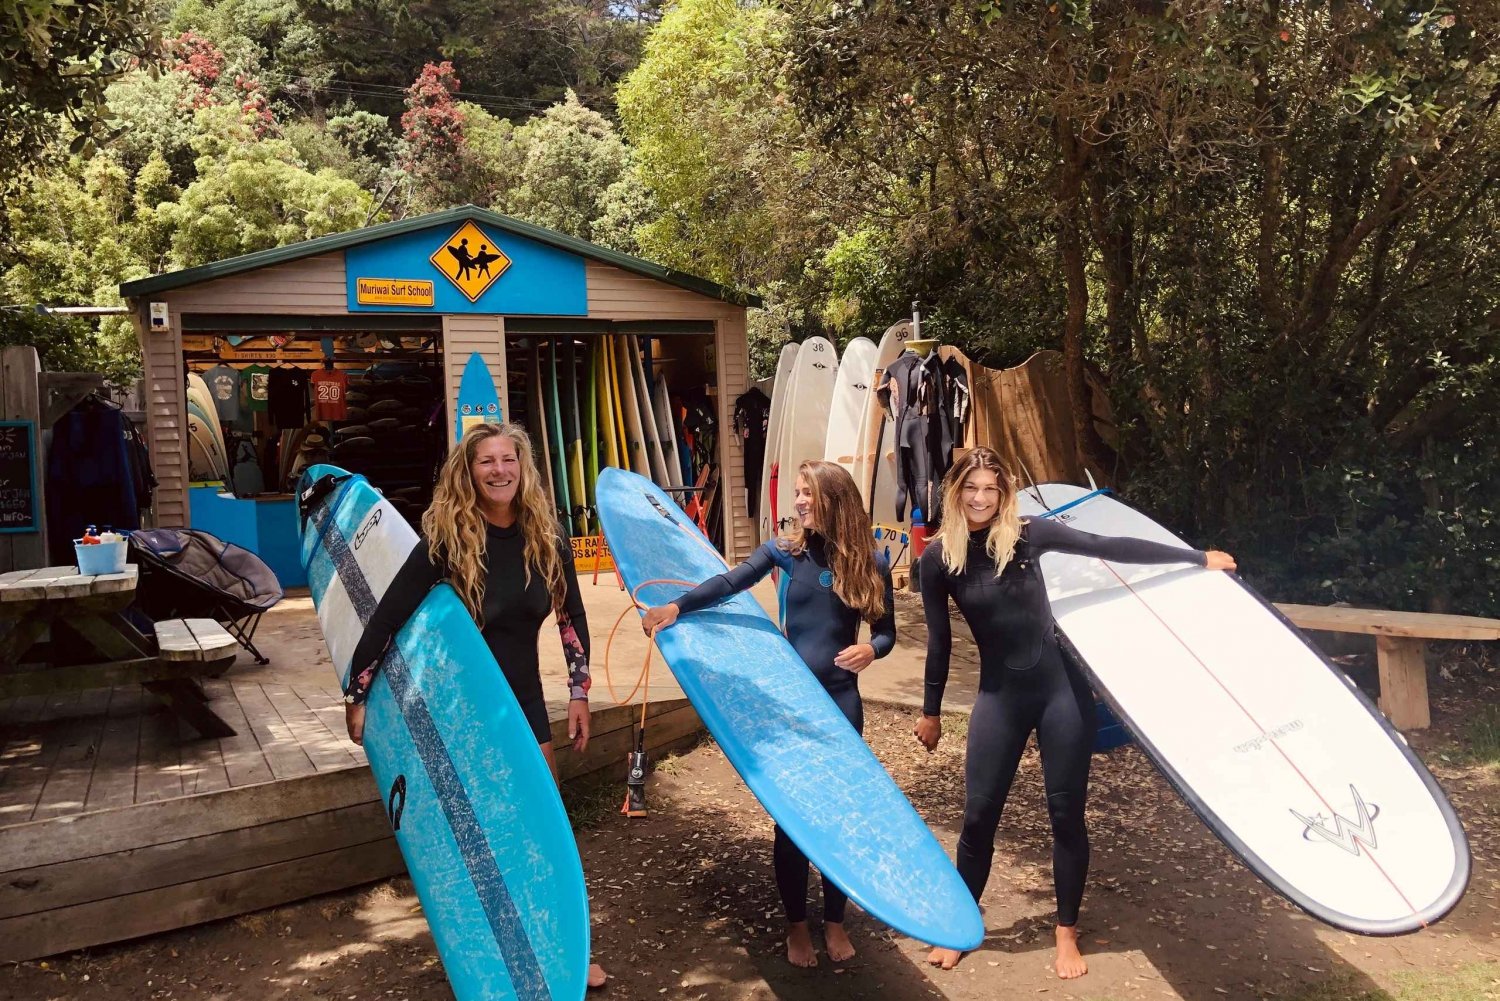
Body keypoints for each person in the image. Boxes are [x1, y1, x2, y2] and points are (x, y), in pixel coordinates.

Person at [915, 447, 1236, 980]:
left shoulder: (1028, 535)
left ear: (1003, 494)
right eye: (971, 488)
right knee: (977, 816)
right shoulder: (937, 560)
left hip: (1060, 692)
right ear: (954, 492)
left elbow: (1105, 545)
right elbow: (939, 642)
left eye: (991, 489)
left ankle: (1066, 932)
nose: (980, 498)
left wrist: (1197, 558)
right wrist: (931, 711)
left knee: (1066, 815)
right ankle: (960, 921)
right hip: (999, 698)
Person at [343, 421, 607, 989]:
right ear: (469, 470)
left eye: (508, 459)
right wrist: (359, 692)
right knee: (481, 830)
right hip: (459, 708)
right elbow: (387, 618)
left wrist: (579, 691)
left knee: (543, 826)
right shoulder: (447, 540)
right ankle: (489, 949)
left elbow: (571, 619)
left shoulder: (546, 536)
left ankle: (566, 952)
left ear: (523, 466)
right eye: (486, 461)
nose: (499, 471)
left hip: (524, 700)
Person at [640, 459, 896, 968]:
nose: (798, 501)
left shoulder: (870, 561)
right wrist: (678, 606)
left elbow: (887, 631)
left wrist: (873, 650)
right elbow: (729, 582)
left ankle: (836, 921)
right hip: (791, 706)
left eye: (807, 493)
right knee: (792, 819)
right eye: (797, 492)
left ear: (834, 499)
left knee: (837, 816)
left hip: (841, 703)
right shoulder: (786, 550)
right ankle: (797, 926)